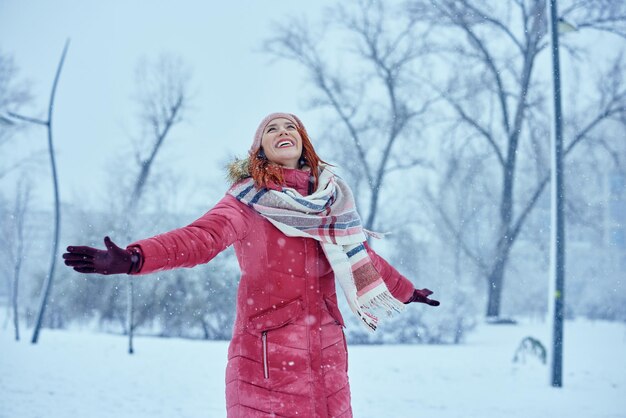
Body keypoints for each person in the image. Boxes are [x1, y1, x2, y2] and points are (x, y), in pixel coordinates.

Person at [63, 112, 440, 418]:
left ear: (303, 142)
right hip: (266, 353)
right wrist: (135, 258)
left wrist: (407, 292)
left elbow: (363, 257)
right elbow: (201, 238)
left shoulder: (331, 206)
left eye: (290, 126)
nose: (282, 132)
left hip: (327, 356)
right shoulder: (247, 200)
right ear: (259, 149)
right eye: (270, 129)